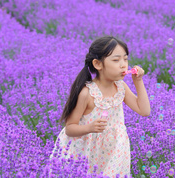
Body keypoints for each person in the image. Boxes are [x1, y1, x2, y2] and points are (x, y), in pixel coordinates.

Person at [49, 36, 151, 177]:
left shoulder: (121, 87)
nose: (123, 65)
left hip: (114, 151)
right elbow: (70, 128)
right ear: (98, 64)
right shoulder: (87, 93)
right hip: (87, 153)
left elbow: (144, 111)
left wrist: (138, 81)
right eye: (116, 60)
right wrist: (89, 128)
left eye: (125, 59)